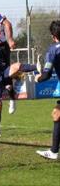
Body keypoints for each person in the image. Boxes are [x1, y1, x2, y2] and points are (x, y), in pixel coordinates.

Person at [35, 20, 60, 160]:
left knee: (57, 114)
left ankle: (54, 151)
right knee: (57, 114)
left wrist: (38, 78)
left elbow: (46, 75)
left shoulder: (53, 50)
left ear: (53, 35)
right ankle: (54, 151)